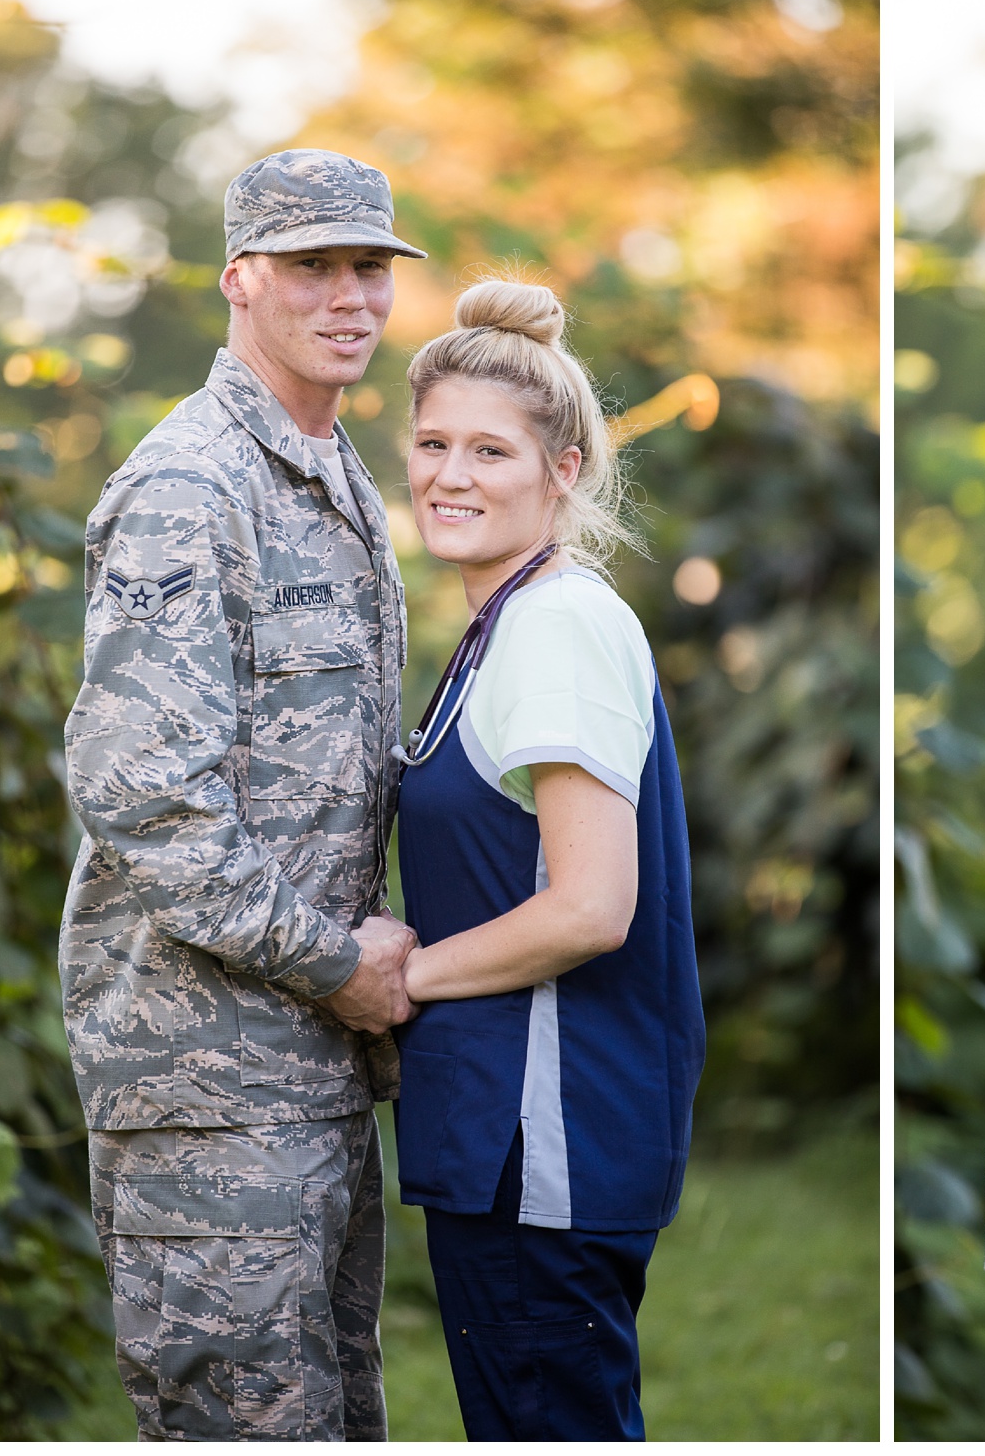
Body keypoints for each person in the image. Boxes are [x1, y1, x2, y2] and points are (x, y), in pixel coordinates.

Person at [60, 148, 427, 1439]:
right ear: (239, 279)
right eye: (314, 265)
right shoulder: (189, 487)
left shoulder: (330, 473)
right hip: (207, 1092)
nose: (351, 296)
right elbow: (147, 799)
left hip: (311, 1075)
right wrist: (336, 961)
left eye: (370, 266)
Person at [386, 279, 704, 1442]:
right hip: (504, 1148)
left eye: (489, 450)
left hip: (548, 1150)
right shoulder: (506, 620)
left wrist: (401, 977)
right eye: (430, 444)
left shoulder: (557, 625)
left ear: (562, 471)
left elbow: (588, 906)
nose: (450, 476)